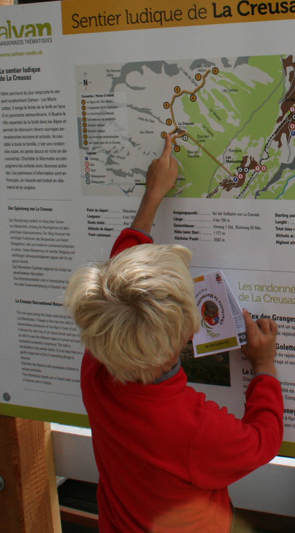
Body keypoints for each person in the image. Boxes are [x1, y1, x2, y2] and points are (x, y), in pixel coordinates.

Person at [65, 133, 283, 532]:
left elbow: (117, 295)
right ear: (188, 334)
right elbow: (261, 442)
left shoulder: (99, 369)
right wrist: (264, 367)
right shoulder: (193, 429)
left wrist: (152, 197)